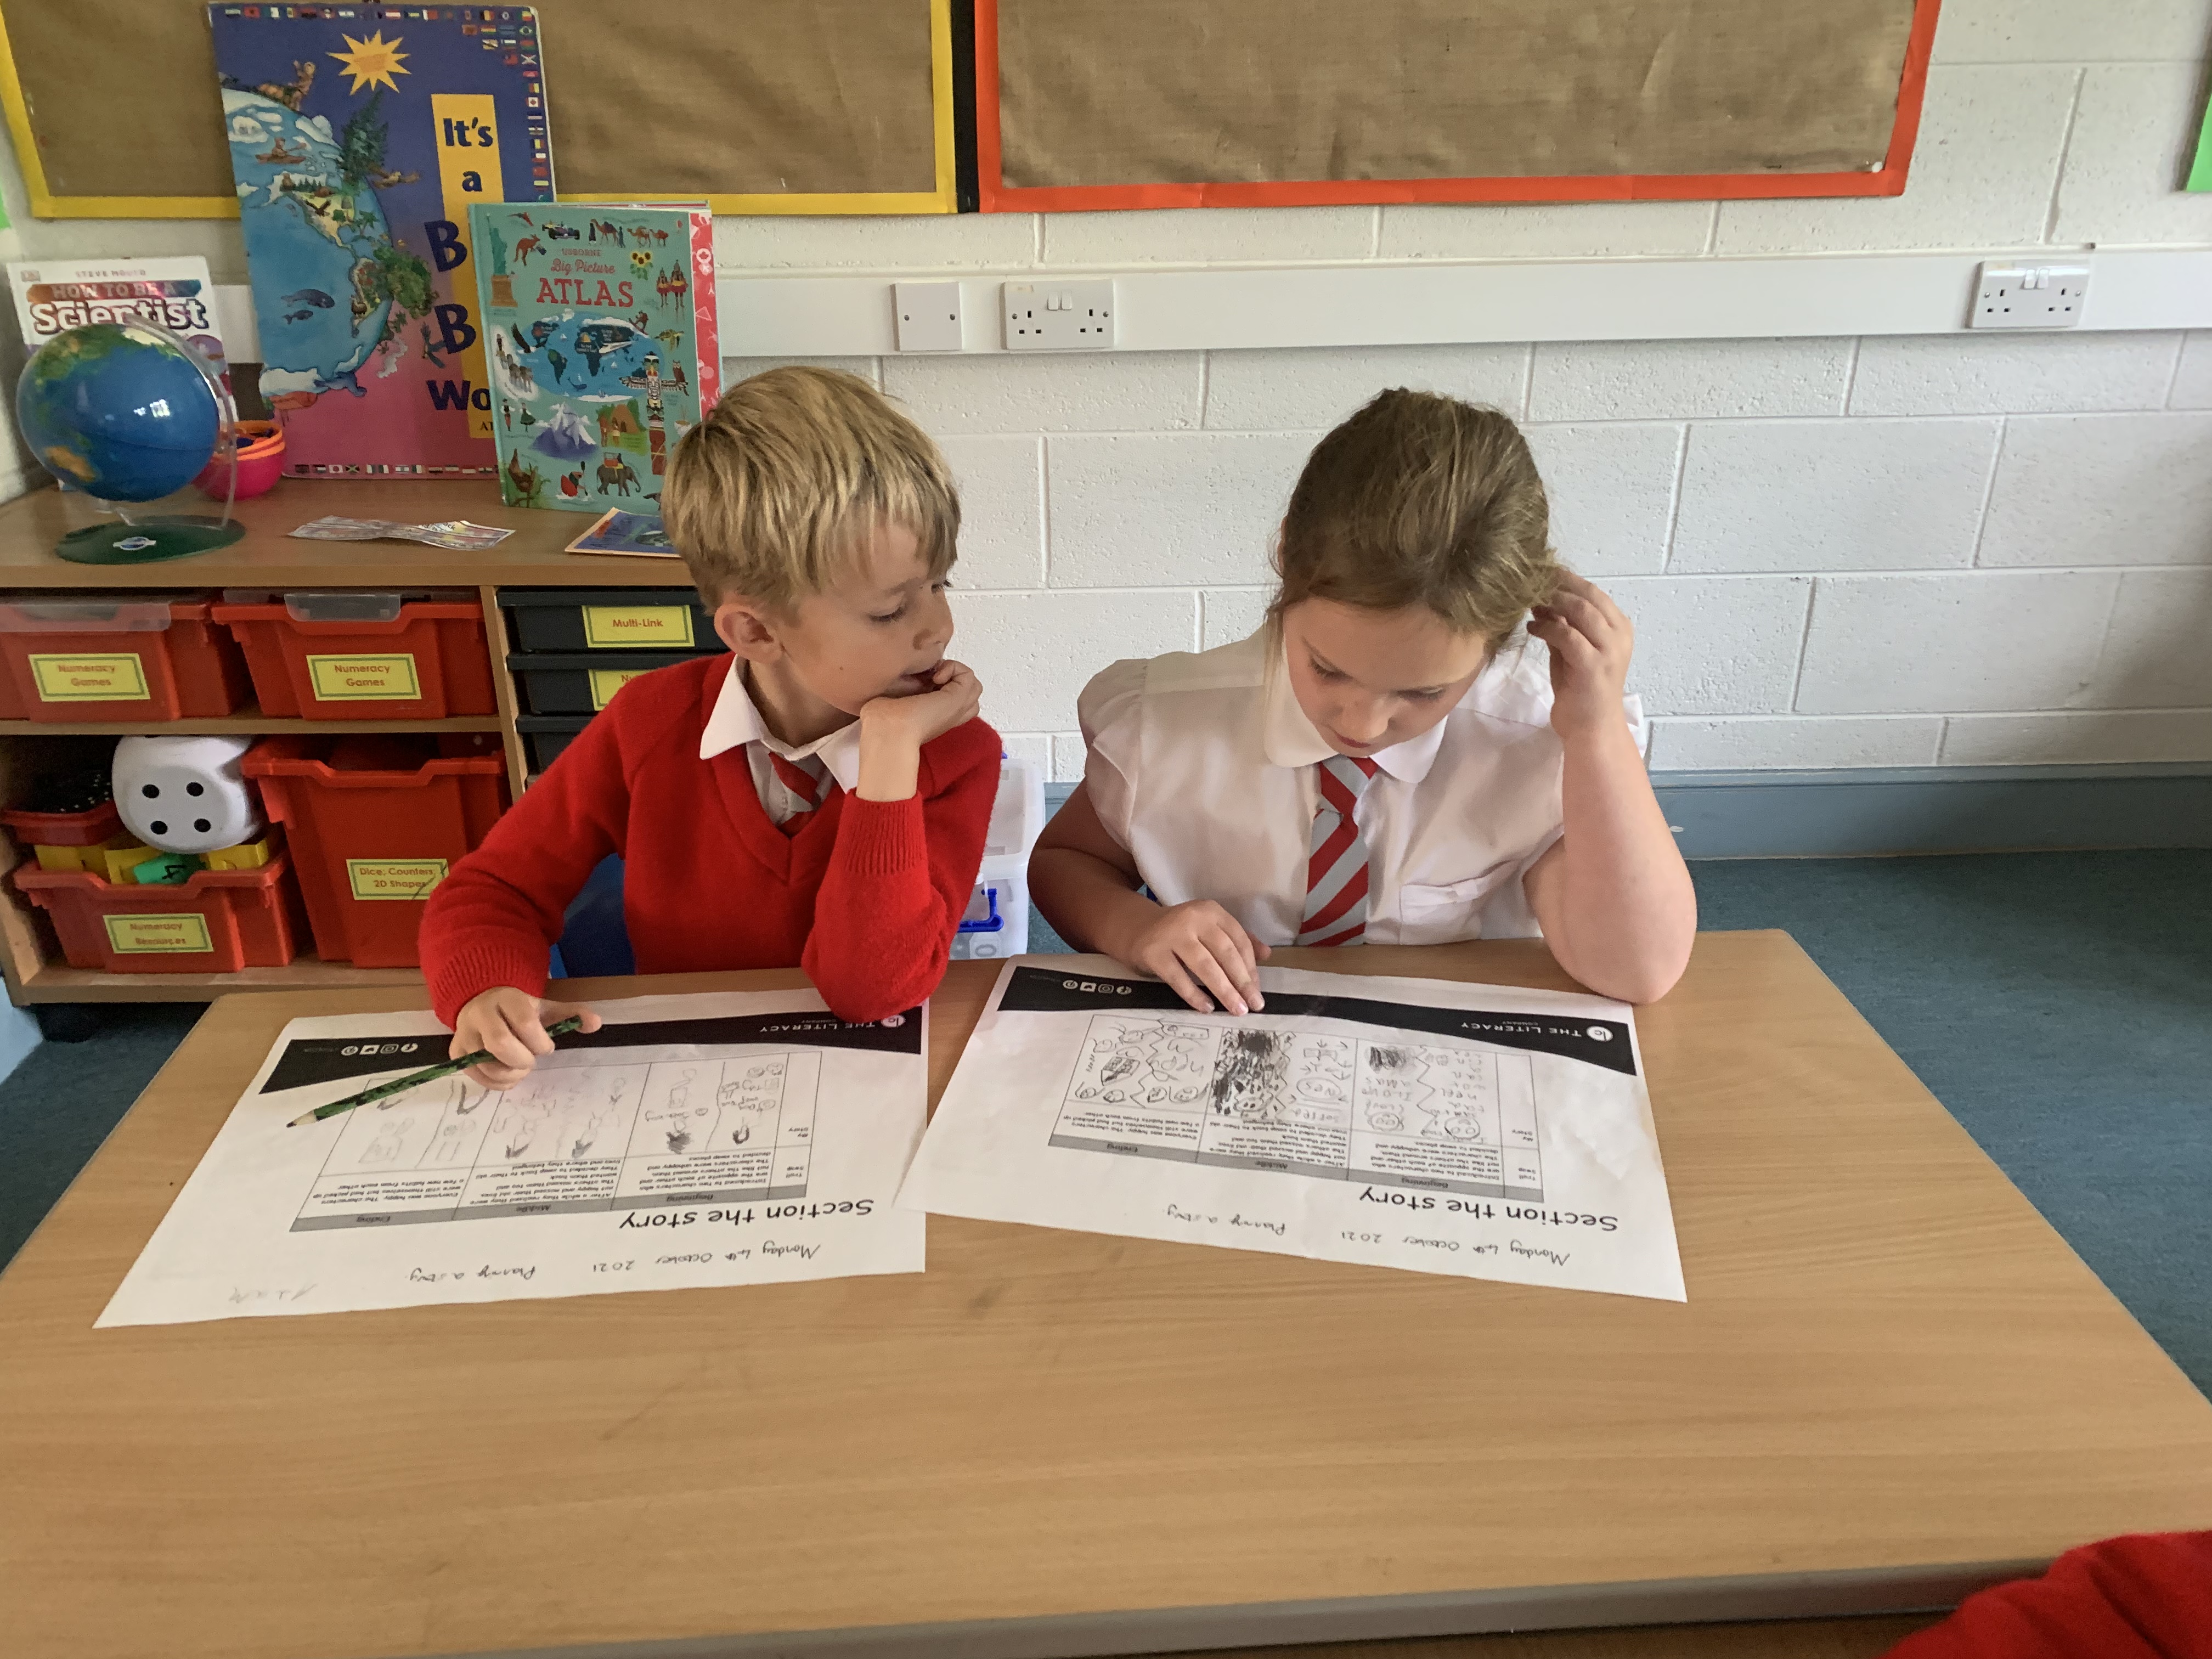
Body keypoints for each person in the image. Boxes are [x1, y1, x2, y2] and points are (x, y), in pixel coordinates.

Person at [1030, 387, 1693, 1015]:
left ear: (1499, 640)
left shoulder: (1530, 738)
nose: (1363, 723)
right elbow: (1067, 863)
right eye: (1328, 669)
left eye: (1424, 692)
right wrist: (1136, 926)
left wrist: (1596, 731)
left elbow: (1637, 969)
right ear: (1286, 559)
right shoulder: (1165, 724)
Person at [421, 367, 1000, 1085]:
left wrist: (889, 754)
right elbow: (493, 890)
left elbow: (870, 990)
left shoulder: (955, 753)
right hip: (683, 1078)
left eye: (941, 584)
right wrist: (486, 991)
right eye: (891, 610)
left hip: (863, 1083)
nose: (939, 627)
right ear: (755, 631)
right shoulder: (649, 722)